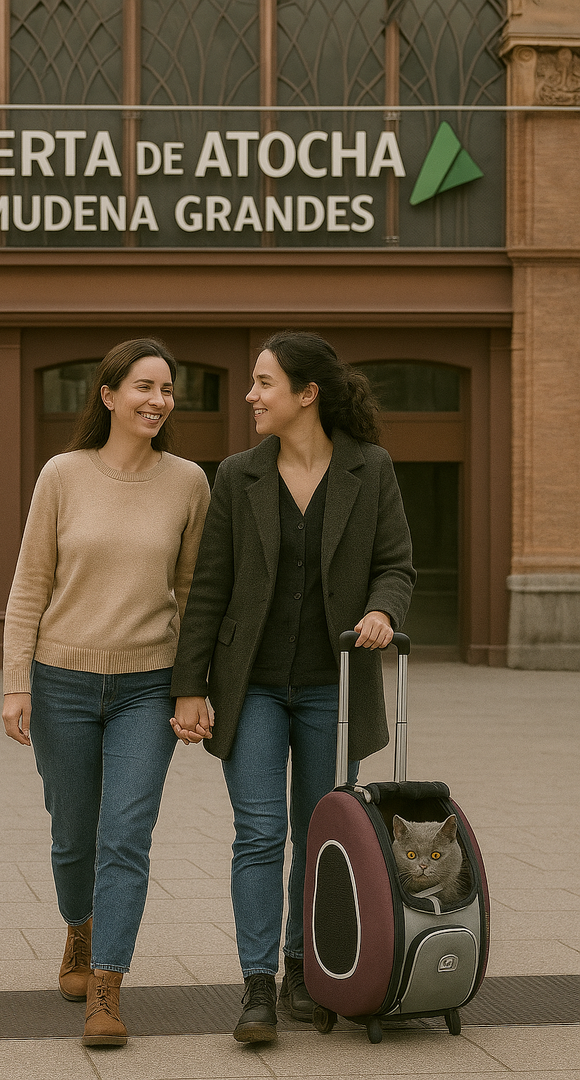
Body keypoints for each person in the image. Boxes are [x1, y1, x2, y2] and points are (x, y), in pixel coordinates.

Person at [170, 331, 415, 1043]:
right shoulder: (237, 475)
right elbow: (208, 590)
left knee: (322, 835)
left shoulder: (371, 469)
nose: (251, 394)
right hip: (251, 691)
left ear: (307, 393)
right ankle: (255, 987)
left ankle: (302, 969)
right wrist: (191, 686)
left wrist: (381, 610)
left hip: (332, 688)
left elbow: (396, 565)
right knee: (259, 832)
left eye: (264, 382)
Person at [2, 338, 210, 1046]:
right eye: (145, 387)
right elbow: (30, 583)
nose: (158, 400)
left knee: (125, 835)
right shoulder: (63, 474)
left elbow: (192, 592)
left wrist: (193, 687)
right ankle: (79, 931)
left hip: (147, 688)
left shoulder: (188, 482)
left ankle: (107, 986)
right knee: (72, 835)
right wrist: (15, 684)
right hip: (61, 681)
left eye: (167, 389)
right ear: (109, 395)